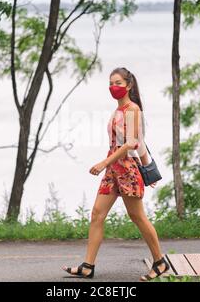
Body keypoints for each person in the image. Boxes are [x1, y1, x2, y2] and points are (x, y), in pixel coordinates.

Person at [61, 67, 170, 281]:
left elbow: (133, 143)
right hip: (114, 169)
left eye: (119, 83)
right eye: (111, 83)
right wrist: (112, 164)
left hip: (127, 169)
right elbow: (137, 143)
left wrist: (107, 163)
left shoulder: (133, 110)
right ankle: (87, 266)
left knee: (137, 216)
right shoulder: (117, 112)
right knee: (97, 214)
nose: (114, 87)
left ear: (129, 85)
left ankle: (160, 263)